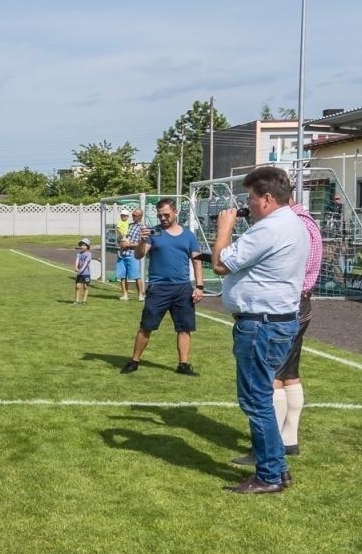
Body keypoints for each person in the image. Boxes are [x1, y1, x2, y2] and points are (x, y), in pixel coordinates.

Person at [211, 166, 310, 494]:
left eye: (251, 198)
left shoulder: (269, 229)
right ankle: (277, 468)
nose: (247, 204)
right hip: (276, 322)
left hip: (261, 325)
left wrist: (224, 229)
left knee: (256, 400)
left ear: (267, 198)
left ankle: (268, 475)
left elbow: (221, 262)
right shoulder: (293, 224)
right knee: (262, 397)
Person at [233, 199, 321, 474]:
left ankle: (270, 448)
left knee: (270, 378)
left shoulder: (289, 225)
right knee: (289, 371)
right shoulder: (305, 221)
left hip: (283, 306)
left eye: (253, 199)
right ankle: (288, 438)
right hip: (299, 302)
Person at [119, 199, 203, 375]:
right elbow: (139, 255)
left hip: (182, 288)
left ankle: (184, 364)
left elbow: (197, 261)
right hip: (158, 288)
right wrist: (142, 241)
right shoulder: (154, 233)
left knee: (184, 327)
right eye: (160, 215)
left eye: (166, 214)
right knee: (146, 326)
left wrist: (199, 286)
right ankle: (134, 361)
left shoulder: (188, 235)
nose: (163, 218)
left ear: (175, 212)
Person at [113, 213, 142, 301]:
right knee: (122, 276)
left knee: (136, 276)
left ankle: (140, 295)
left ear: (140, 216)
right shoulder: (128, 225)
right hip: (122, 254)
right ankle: (125, 295)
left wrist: (128, 245)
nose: (133, 216)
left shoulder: (143, 227)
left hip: (132, 254)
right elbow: (120, 237)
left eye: (136, 215)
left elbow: (141, 244)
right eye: (133, 215)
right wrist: (120, 243)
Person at [73, 238, 93, 304]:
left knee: (85, 286)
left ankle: (84, 301)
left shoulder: (89, 254)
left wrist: (81, 270)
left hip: (86, 273)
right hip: (79, 273)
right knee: (77, 286)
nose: (82, 246)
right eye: (81, 245)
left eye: (84, 245)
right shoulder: (79, 254)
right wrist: (76, 267)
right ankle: (76, 301)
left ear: (87, 247)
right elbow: (77, 261)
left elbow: (86, 262)